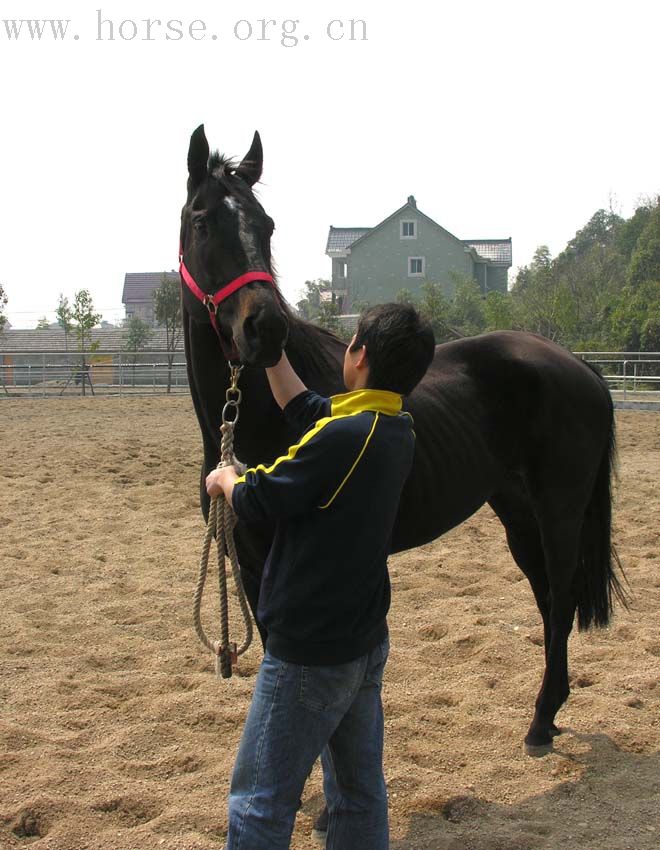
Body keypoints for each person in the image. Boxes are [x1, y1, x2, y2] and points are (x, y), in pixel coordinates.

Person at [206, 303, 435, 850]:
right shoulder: (392, 427)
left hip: (310, 651)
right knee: (358, 794)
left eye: (352, 340)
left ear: (358, 356)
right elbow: (309, 408)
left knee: (259, 801)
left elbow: (262, 499)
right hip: (362, 641)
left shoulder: (345, 438)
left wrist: (227, 479)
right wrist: (273, 356)